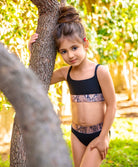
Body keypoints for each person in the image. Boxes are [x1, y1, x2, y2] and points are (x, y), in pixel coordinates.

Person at [28, 6, 116, 167]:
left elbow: (112, 105)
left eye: (74, 48)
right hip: (76, 134)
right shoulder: (65, 73)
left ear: (85, 44)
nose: (70, 55)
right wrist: (33, 52)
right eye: (64, 51)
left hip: (98, 134)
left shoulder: (100, 72)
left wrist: (103, 137)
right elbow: (38, 78)